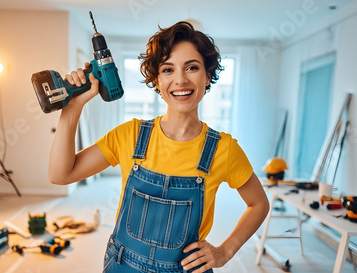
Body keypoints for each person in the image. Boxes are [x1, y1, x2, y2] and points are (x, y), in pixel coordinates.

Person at [49, 21, 269, 273]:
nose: (181, 80)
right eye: (168, 70)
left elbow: (259, 203)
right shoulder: (129, 135)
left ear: (208, 75)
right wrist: (72, 107)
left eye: (192, 67)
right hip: (123, 266)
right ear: (156, 80)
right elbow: (60, 174)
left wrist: (225, 251)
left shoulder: (223, 149)